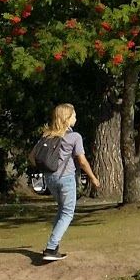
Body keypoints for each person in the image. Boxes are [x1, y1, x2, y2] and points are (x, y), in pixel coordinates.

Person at [36, 103, 100, 262]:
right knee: (67, 213)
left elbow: (33, 156)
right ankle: (51, 247)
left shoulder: (47, 136)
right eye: (74, 115)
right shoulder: (74, 137)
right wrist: (93, 178)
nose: (76, 118)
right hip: (66, 179)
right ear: (67, 118)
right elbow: (82, 161)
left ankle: (54, 245)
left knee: (62, 210)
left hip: (50, 178)